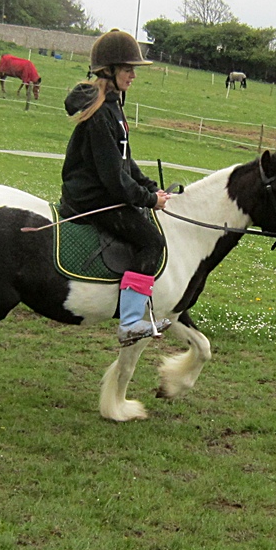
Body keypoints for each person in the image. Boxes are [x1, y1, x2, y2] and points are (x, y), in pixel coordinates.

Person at [60, 29, 171, 346]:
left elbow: (125, 161)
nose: (133, 75)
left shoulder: (112, 107)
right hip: (92, 198)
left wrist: (149, 186)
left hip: (104, 191)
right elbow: (113, 178)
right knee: (151, 241)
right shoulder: (100, 114)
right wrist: (148, 199)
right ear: (108, 71)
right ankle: (130, 323)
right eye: (127, 69)